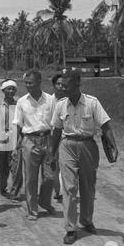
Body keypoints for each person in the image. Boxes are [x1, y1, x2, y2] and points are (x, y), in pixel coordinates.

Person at [50, 70, 118, 245]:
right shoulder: (60, 105)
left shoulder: (92, 103)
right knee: (69, 188)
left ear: (77, 83)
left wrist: (114, 145)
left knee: (88, 186)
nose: (63, 88)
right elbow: (57, 130)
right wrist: (51, 153)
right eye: (61, 85)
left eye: (66, 85)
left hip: (88, 145)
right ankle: (70, 228)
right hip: (67, 146)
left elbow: (105, 125)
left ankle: (86, 221)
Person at [13, 70, 55, 221]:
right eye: (26, 83)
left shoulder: (51, 100)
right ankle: (33, 210)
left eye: (30, 82)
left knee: (50, 176)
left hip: (48, 139)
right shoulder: (22, 101)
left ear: (39, 82)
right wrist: (15, 145)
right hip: (29, 141)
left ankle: (44, 201)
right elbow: (18, 124)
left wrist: (56, 143)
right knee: (30, 178)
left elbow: (57, 123)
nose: (27, 85)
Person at [0, 80, 23, 201]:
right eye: (8, 89)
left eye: (13, 89)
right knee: (1, 167)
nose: (11, 91)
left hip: (16, 138)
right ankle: (2, 187)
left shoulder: (19, 105)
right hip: (1, 139)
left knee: (16, 167)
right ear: (3, 90)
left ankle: (15, 192)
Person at [51, 73, 65, 203]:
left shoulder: (70, 100)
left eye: (63, 84)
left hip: (67, 138)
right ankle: (57, 189)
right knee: (54, 166)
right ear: (54, 85)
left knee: (66, 165)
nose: (61, 87)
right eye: (58, 84)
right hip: (53, 137)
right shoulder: (49, 101)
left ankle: (62, 191)